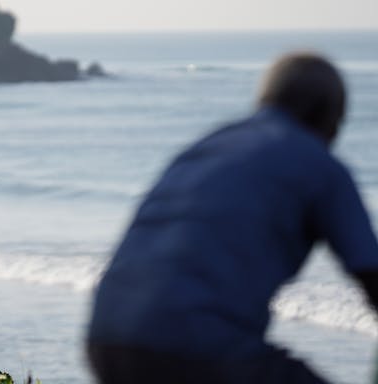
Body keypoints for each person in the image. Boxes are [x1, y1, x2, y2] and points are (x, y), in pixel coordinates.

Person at [86, 53, 378, 384]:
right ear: (327, 114)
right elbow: (370, 274)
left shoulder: (208, 147)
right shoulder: (321, 167)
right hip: (196, 346)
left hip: (108, 339)